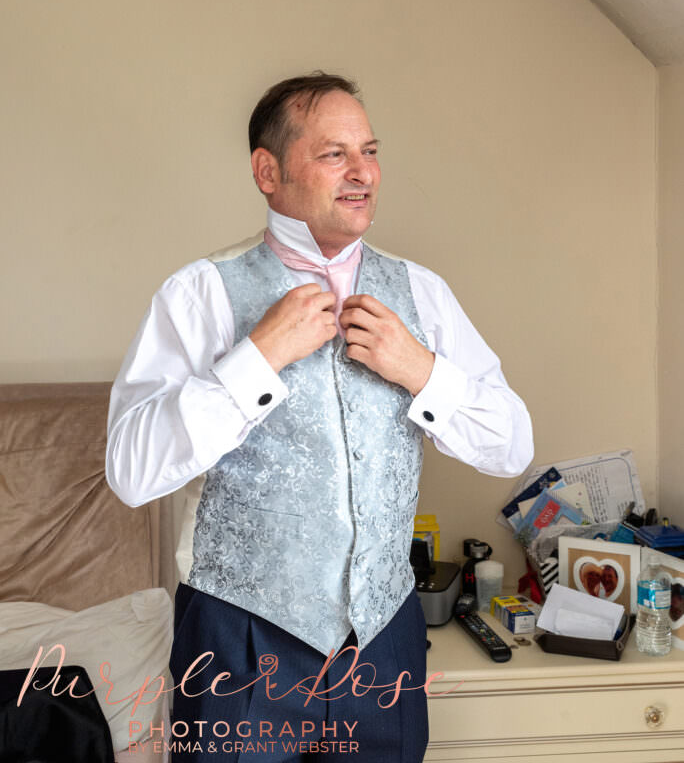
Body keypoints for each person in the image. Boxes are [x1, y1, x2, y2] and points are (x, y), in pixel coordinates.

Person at [106, 72, 534, 762]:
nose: (364, 172)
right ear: (267, 171)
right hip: (241, 642)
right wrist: (255, 358)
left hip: (384, 639)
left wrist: (421, 370)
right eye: (335, 154)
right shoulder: (200, 293)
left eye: (370, 150)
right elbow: (130, 471)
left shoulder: (421, 293)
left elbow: (512, 444)